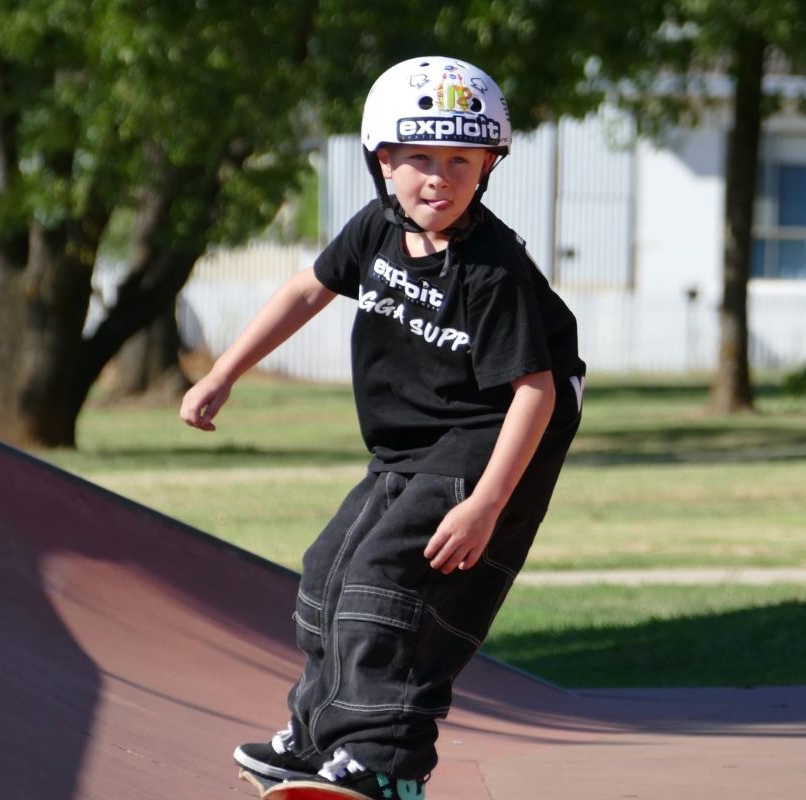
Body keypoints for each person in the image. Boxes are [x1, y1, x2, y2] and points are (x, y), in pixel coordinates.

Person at [179, 56, 584, 800]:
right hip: (408, 442)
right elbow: (307, 289)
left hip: (492, 436)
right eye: (419, 159)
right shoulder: (376, 228)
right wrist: (221, 373)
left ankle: (387, 766)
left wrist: (487, 504)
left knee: (385, 584)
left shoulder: (490, 270)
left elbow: (537, 390)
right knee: (328, 570)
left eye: (460, 161)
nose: (439, 178)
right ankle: (317, 742)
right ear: (382, 160)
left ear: (489, 166)